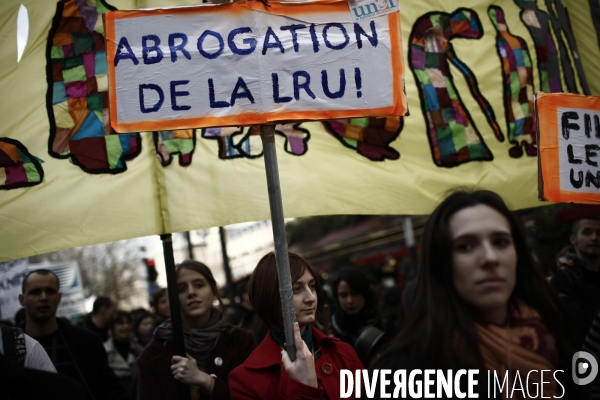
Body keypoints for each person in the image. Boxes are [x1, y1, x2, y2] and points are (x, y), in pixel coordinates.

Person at [371, 190, 578, 399]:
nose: (490, 257)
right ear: (441, 263)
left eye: (500, 242)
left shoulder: (556, 333)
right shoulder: (399, 376)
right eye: (466, 246)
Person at [229, 252, 364, 400]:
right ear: (269, 297)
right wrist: (306, 388)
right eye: (296, 289)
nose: (311, 297)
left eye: (312, 286)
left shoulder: (344, 354)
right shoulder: (245, 381)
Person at [137, 260, 256, 400]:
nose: (191, 292)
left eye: (199, 285)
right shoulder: (152, 356)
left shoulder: (241, 342)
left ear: (214, 292)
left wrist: (206, 381)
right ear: (173, 299)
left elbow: (254, 394)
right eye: (181, 289)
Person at [19, 269, 128, 400]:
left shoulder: (87, 342)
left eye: (50, 291)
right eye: (35, 292)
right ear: (22, 299)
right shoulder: (8, 346)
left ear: (59, 297)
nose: (44, 297)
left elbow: (111, 388)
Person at [551, 216, 600, 348]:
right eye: (587, 232)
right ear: (573, 239)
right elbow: (575, 320)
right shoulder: (563, 280)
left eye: (599, 232)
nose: (595, 237)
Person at [330, 268, 384, 365]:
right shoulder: (330, 331)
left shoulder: (384, 324)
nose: (350, 300)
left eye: (355, 294)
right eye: (343, 295)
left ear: (365, 294)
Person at [104, 310, 144, 400]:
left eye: (128, 323)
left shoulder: (139, 349)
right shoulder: (104, 351)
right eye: (120, 323)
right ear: (112, 327)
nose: (125, 326)